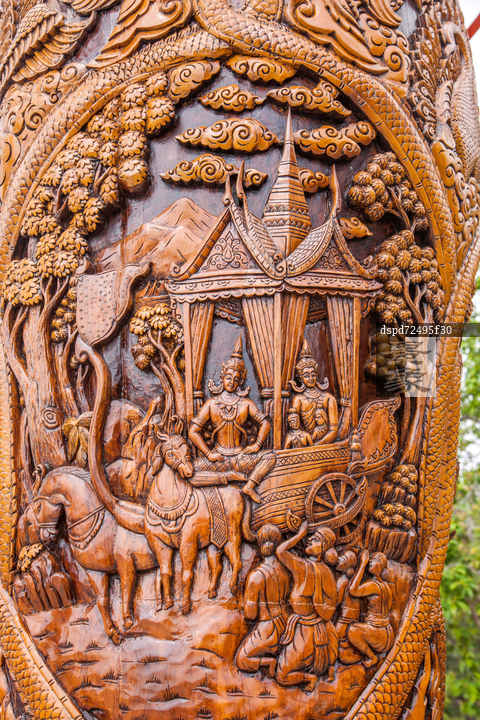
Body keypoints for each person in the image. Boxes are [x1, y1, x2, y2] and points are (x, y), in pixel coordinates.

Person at [189, 337, 274, 503]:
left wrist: (257, 445)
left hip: (241, 458)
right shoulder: (211, 404)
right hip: (219, 459)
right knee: (191, 470)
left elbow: (265, 423)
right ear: (222, 377)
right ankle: (225, 478)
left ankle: (250, 485)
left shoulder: (246, 404)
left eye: (236, 379)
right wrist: (209, 454)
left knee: (269, 457)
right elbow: (193, 431)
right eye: (228, 377)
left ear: (241, 382)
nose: (232, 382)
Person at [275, 521, 338, 692]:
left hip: (307, 629)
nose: (309, 540)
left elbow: (280, 551)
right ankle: (325, 667)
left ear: (324, 547)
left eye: (315, 539)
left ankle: (309, 678)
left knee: (281, 675)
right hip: (301, 625)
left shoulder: (310, 568)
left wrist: (299, 535)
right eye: (309, 537)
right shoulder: (307, 566)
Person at [236, 524, 290, 676]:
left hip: (268, 629)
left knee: (242, 659)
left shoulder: (256, 576)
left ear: (260, 545)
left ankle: (268, 663)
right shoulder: (285, 571)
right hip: (285, 622)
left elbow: (250, 614)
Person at [347, 549, 394, 668]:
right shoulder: (386, 587)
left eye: (375, 560)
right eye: (370, 560)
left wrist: (362, 564)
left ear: (381, 566)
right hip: (388, 633)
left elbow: (353, 590)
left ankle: (372, 657)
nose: (370, 562)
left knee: (353, 630)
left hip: (378, 634)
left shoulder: (373, 585)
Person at [290, 342, 338, 445]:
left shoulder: (329, 398)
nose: (311, 378)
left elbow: (334, 430)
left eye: (313, 374)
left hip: (323, 445)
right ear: (301, 378)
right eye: (306, 376)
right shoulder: (298, 400)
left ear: (317, 375)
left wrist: (317, 445)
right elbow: (295, 428)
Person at [335, 550, 362, 665]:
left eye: (344, 559)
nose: (339, 559)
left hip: (344, 619)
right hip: (353, 619)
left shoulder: (343, 581)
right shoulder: (354, 581)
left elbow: (337, 601)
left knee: (340, 642)